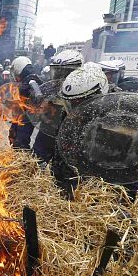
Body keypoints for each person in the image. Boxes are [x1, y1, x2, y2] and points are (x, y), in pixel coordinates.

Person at [50, 67, 109, 199]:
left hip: (99, 190)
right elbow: (60, 148)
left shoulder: (114, 117)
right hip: (70, 180)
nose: (75, 109)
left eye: (79, 103)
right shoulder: (68, 114)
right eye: (71, 103)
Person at [33, 49, 84, 163]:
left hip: (68, 136)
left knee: (61, 169)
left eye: (65, 72)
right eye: (58, 72)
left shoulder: (83, 91)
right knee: (36, 161)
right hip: (48, 130)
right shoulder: (50, 88)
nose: (61, 76)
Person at [8, 56, 42, 150]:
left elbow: (38, 95)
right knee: (13, 136)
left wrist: (30, 108)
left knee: (20, 141)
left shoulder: (32, 80)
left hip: (27, 116)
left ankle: (22, 158)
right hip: (21, 114)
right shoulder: (25, 80)